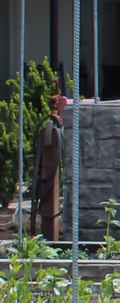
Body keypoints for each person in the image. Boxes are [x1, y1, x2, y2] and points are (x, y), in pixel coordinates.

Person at [29, 95, 64, 240]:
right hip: (44, 176)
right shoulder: (46, 133)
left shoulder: (57, 133)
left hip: (50, 169)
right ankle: (38, 235)